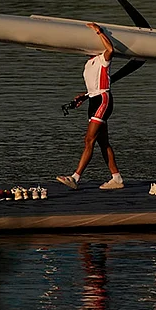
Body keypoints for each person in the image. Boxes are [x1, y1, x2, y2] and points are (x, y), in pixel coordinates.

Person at [57, 22, 124, 190]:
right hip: (93, 101)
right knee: (103, 142)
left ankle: (75, 178)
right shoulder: (88, 64)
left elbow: (111, 50)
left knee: (89, 140)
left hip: (103, 100)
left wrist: (99, 31)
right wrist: (83, 96)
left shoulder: (103, 58)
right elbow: (94, 86)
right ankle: (117, 178)